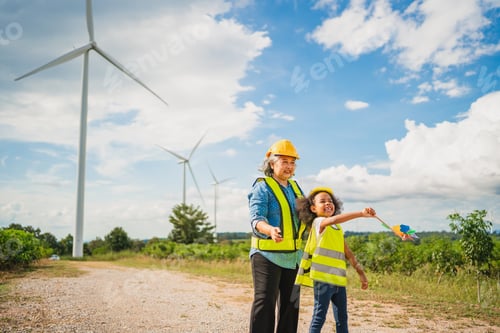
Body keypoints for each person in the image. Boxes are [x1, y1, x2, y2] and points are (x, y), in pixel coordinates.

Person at [295, 187, 374, 333]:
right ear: (313, 208)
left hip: (338, 279)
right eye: (322, 201)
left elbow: (348, 252)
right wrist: (361, 214)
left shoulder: (337, 228)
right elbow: (334, 219)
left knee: (342, 318)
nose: (328, 203)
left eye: (330, 201)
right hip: (323, 278)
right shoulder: (318, 222)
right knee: (319, 317)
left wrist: (360, 272)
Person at [248, 139, 306, 333]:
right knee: (265, 305)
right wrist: (270, 230)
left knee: (291, 307)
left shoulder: (296, 188)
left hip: (293, 257)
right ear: (272, 164)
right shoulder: (262, 187)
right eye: (284, 161)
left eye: (292, 162)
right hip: (266, 256)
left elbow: (309, 215)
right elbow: (256, 219)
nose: (289, 166)